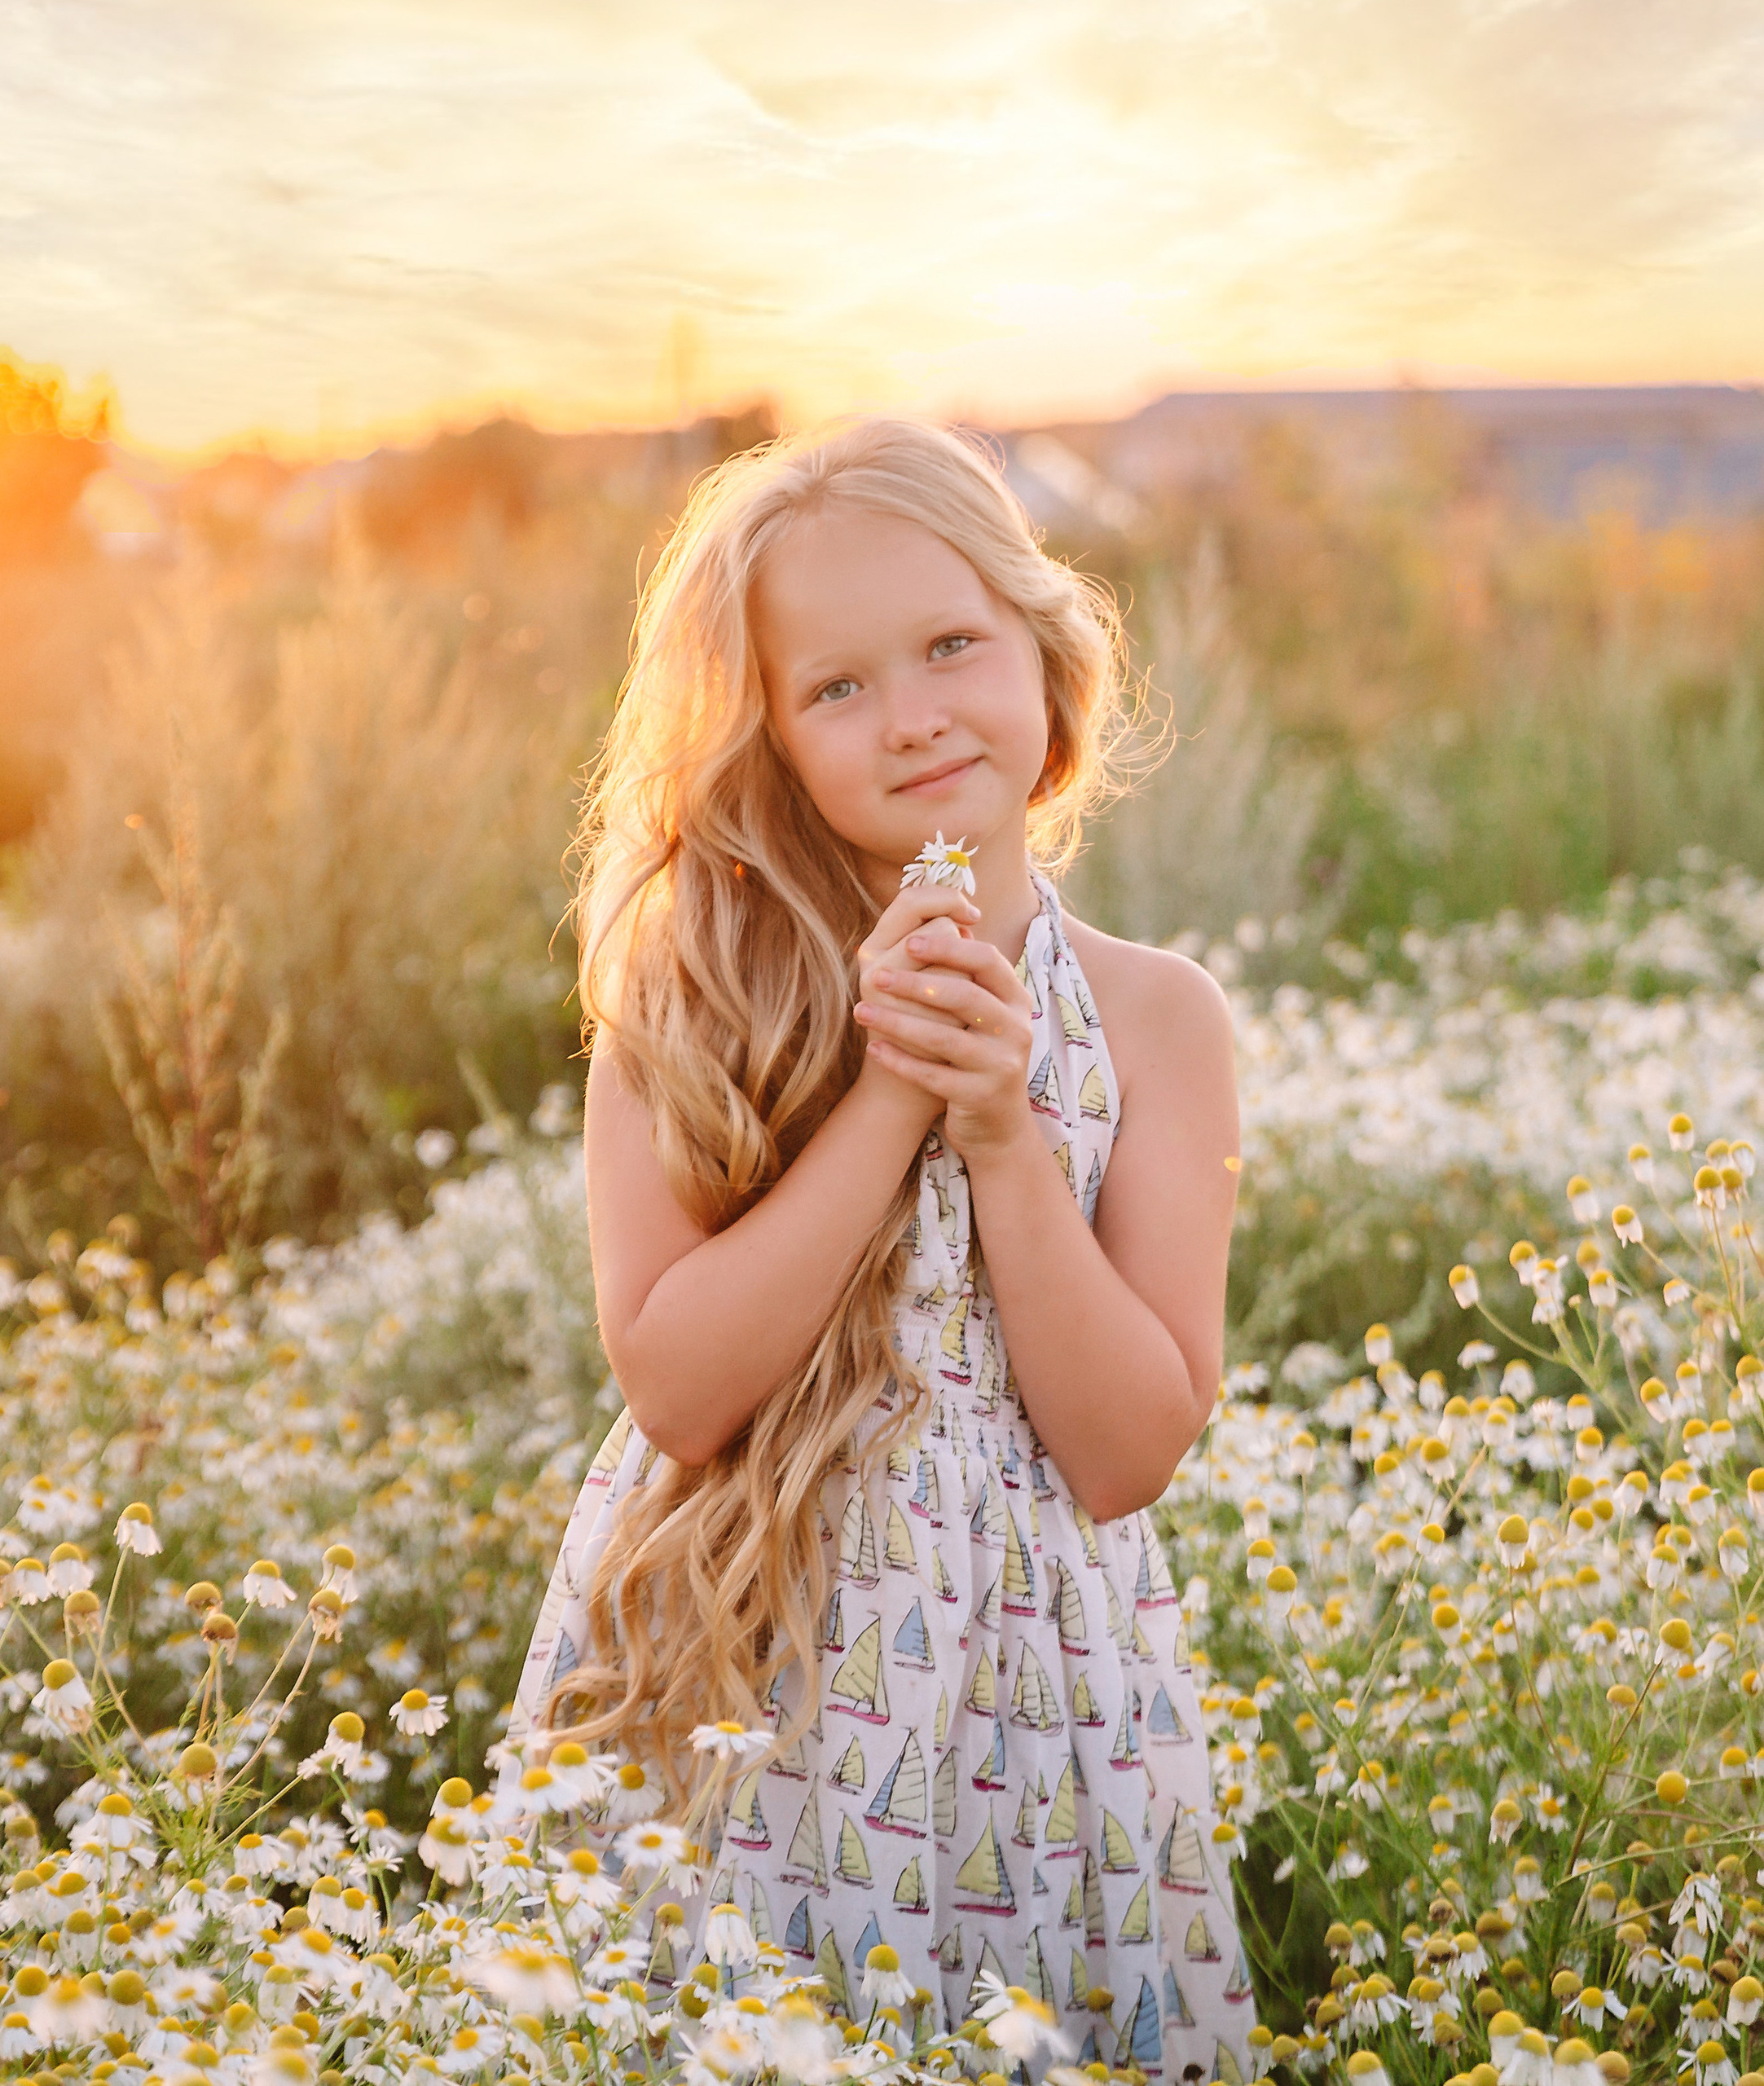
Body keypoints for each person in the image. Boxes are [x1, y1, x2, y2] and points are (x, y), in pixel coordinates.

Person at [505, 414, 1256, 2079]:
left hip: (1039, 1702)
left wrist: (1005, 1131)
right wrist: (894, 1093)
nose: (910, 712)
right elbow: (679, 1386)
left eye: (950, 646)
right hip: (741, 1674)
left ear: (1041, 653)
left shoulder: (1156, 1017)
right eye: (834, 685)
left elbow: (1131, 1447)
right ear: (764, 733)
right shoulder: (689, 1000)